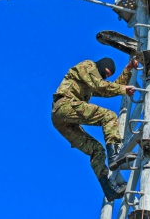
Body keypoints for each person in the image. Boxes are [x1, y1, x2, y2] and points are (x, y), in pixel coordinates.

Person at [51, 56, 138, 202]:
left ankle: (108, 189)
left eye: (108, 76)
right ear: (100, 67)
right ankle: (114, 156)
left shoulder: (91, 83)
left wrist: (127, 70)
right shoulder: (88, 65)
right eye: (105, 73)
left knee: (97, 150)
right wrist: (123, 89)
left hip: (62, 120)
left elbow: (108, 90)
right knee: (109, 116)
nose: (106, 77)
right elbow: (100, 86)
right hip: (64, 105)